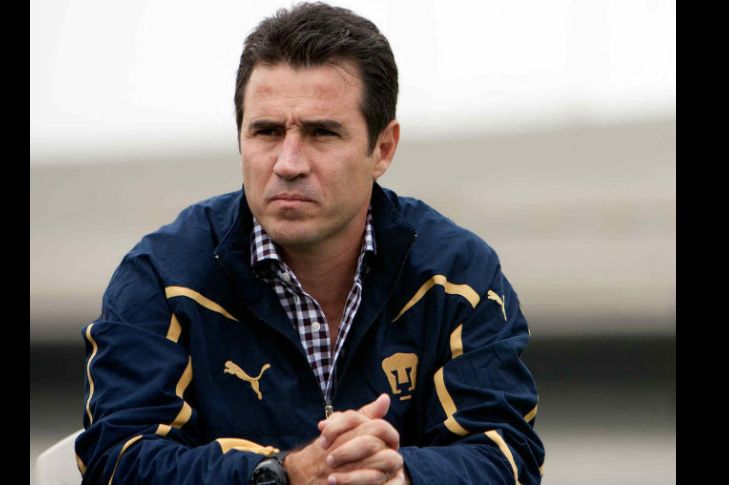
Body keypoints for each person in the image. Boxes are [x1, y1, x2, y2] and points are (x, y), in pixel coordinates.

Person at [74, 3, 545, 484]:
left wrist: (399, 476)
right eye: (267, 132)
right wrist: (284, 475)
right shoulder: (163, 277)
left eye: (322, 133)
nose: (288, 163)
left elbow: (508, 455)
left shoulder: (457, 275)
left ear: (383, 149)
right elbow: (116, 459)